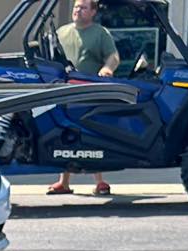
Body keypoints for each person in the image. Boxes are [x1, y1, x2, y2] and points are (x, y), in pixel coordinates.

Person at [47, 0, 120, 196]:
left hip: (89, 92)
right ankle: (63, 182)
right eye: (76, 7)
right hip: (63, 90)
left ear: (93, 12)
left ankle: (100, 182)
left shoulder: (100, 33)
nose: (78, 10)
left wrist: (107, 68)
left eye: (83, 7)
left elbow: (113, 56)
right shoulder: (61, 33)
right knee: (64, 134)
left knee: (90, 135)